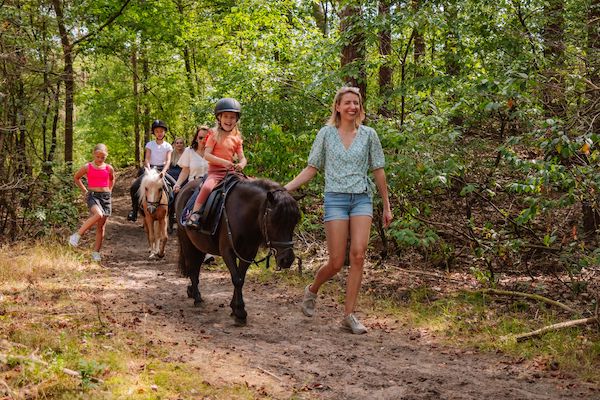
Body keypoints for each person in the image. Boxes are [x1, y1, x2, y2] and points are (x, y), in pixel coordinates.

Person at [284, 86, 393, 334]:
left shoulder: (369, 135)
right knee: (335, 262)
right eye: (348, 103)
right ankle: (312, 290)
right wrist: (285, 189)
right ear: (337, 106)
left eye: (356, 103)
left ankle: (349, 315)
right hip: (335, 199)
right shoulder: (326, 134)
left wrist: (386, 205)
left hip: (361, 199)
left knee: (358, 254)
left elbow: (378, 170)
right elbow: (312, 168)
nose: (353, 107)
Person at [186, 98, 247, 228]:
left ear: (237, 120)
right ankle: (194, 214)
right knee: (207, 187)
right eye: (226, 116)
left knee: (249, 186)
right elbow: (207, 155)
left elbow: (243, 157)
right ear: (219, 118)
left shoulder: (237, 138)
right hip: (215, 173)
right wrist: (224, 162)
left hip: (231, 173)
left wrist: (241, 164)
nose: (229, 120)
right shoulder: (213, 134)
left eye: (232, 117)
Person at [68, 143, 115, 262]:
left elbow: (112, 179)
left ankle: (96, 253)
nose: (100, 159)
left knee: (101, 227)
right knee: (98, 214)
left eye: (102, 157)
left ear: (106, 156)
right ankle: (76, 235)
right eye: (98, 156)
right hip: (93, 196)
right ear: (94, 154)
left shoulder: (109, 168)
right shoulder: (87, 167)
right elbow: (76, 177)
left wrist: (109, 191)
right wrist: (84, 191)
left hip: (106, 197)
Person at [127, 119, 176, 222]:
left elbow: (168, 161)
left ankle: (172, 214)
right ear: (154, 132)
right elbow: (147, 159)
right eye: (157, 131)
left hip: (162, 170)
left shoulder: (168, 146)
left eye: (161, 131)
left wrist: (164, 171)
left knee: (175, 187)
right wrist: (148, 170)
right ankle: (134, 210)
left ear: (164, 132)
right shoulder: (150, 144)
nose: (159, 133)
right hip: (150, 169)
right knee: (134, 186)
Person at [173, 126, 210, 193]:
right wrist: (177, 184)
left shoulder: (214, 152)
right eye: (200, 138)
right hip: (193, 185)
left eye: (206, 138)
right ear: (196, 139)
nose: (203, 140)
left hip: (210, 185)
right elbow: (185, 171)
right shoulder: (189, 151)